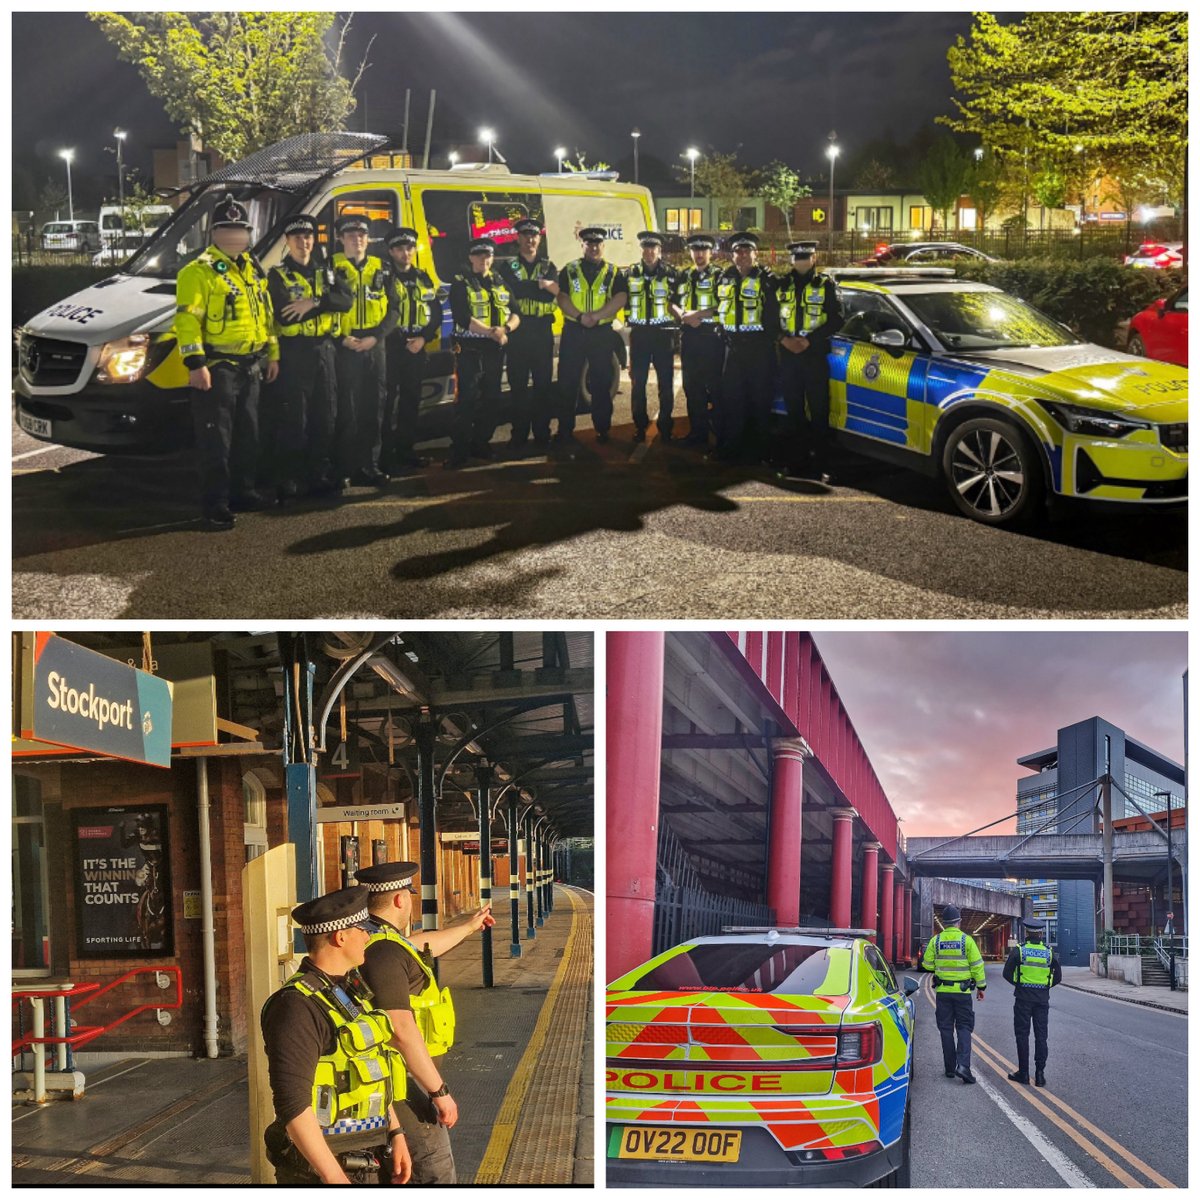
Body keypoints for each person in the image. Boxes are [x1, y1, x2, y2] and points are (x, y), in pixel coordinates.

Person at [260, 885, 413, 1185]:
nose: (369, 937)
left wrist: (395, 1132)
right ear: (340, 937)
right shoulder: (296, 1007)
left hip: (367, 1156)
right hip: (321, 1170)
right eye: (363, 929)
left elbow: (373, 1067)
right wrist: (333, 1177)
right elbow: (293, 1105)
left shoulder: (347, 991)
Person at [356, 861, 496, 1184]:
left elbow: (422, 943)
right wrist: (439, 1091)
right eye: (408, 894)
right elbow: (401, 1030)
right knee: (433, 1169)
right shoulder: (385, 955)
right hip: (403, 1081)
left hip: (403, 1076)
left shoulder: (381, 939)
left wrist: (468, 928)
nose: (410, 900)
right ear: (399, 900)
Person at [174, 193, 279, 529]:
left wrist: (272, 354)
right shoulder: (198, 271)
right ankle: (214, 504)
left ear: (248, 234)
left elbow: (266, 315)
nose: (235, 236)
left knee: (249, 434)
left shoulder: (252, 267)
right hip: (217, 368)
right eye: (227, 229)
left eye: (240, 230)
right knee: (215, 439)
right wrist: (195, 364)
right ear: (214, 234)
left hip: (251, 364)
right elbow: (187, 321)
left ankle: (243, 492)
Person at [266, 214, 353, 498]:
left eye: (308, 237)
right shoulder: (277, 275)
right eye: (297, 238)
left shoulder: (326, 271)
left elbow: (346, 300)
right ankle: (288, 478)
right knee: (294, 418)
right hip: (295, 353)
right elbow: (285, 316)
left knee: (325, 416)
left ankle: (318, 474)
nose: (304, 242)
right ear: (288, 242)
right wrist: (322, 305)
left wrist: (313, 303)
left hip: (325, 351)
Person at [331, 213, 400, 489]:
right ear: (340, 239)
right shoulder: (329, 268)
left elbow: (394, 309)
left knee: (374, 407)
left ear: (368, 239)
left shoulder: (382, 268)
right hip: (344, 345)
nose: (357, 240)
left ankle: (369, 466)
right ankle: (343, 468)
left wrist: (376, 337)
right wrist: (340, 339)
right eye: (350, 235)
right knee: (345, 410)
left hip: (374, 344)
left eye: (361, 235)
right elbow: (324, 307)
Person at [446, 238, 519, 469]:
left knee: (492, 400)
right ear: (470, 258)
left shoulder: (500, 281)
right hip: (469, 351)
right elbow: (461, 316)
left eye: (487, 256)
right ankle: (459, 450)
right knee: (466, 401)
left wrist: (506, 329)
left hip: (493, 351)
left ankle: (481, 443)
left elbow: (516, 312)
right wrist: (490, 332)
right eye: (478, 256)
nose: (484, 260)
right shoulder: (460, 283)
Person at [776, 240, 844, 480]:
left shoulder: (825, 285)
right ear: (791, 260)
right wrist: (784, 340)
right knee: (794, 412)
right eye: (798, 258)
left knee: (819, 411)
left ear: (814, 259)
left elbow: (836, 319)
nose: (802, 261)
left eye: (806, 257)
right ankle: (796, 462)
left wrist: (809, 341)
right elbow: (769, 317)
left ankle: (821, 464)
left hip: (813, 355)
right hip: (788, 355)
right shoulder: (781, 284)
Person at [555, 226, 628, 448]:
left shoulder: (613, 272)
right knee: (567, 383)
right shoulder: (569, 269)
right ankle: (565, 430)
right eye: (589, 243)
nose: (594, 247)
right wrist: (579, 317)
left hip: (601, 333)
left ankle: (603, 429)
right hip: (574, 331)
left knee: (601, 383)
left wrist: (595, 316)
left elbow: (620, 298)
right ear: (582, 245)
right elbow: (562, 297)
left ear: (603, 246)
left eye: (597, 244)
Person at [713, 231, 779, 464]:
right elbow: (717, 308)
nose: (742, 256)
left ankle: (761, 452)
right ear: (732, 255)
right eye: (737, 252)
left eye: (746, 251)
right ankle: (732, 449)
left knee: (759, 400)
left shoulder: (767, 279)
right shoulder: (724, 277)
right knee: (732, 399)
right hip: (732, 348)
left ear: (755, 254)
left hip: (758, 348)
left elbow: (774, 315)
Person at [382, 227, 442, 475]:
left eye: (409, 248)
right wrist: (400, 340)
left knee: (410, 403)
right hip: (391, 349)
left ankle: (406, 452)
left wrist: (423, 339)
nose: (405, 253)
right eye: (399, 249)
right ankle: (384, 457)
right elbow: (381, 313)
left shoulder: (424, 278)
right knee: (386, 405)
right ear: (391, 251)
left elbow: (435, 313)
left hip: (417, 348)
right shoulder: (384, 278)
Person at [496, 217, 559, 451]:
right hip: (518, 333)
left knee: (543, 386)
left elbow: (552, 294)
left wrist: (533, 288)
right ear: (518, 239)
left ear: (539, 239)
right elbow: (510, 293)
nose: (530, 240)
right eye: (525, 235)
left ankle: (542, 434)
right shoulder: (508, 266)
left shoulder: (548, 266)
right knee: (518, 387)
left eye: (534, 236)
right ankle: (519, 435)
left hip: (542, 331)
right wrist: (539, 286)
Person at [921, 904, 986, 1084]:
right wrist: (981, 987)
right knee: (964, 1027)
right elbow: (977, 966)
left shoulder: (936, 940)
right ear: (958, 922)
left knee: (946, 1029)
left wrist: (940, 968)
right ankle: (963, 1066)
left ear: (944, 923)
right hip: (963, 993)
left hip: (943, 992)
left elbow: (926, 964)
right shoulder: (967, 941)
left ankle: (950, 1068)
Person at [625, 231, 679, 444]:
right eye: (645, 248)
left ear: (659, 250)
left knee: (666, 384)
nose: (649, 252)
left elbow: (678, 302)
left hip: (663, 336)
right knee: (638, 384)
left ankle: (665, 426)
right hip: (639, 336)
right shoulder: (630, 273)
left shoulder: (672, 274)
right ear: (641, 250)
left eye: (653, 248)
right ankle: (640, 425)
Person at [674, 233, 724, 448]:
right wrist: (682, 315)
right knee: (691, 388)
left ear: (710, 252)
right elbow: (673, 302)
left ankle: (721, 437)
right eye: (695, 250)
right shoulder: (684, 275)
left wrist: (698, 315)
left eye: (703, 250)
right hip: (690, 339)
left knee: (715, 388)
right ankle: (698, 434)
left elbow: (724, 304)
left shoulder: (721, 276)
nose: (699, 254)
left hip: (712, 338)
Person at [1002, 918, 1061, 1087]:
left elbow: (1007, 973)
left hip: (1023, 999)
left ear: (1027, 933)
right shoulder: (1049, 952)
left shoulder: (1019, 951)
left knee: (1022, 1036)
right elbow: (1058, 977)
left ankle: (1024, 1074)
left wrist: (1019, 984)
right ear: (1041, 933)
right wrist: (1044, 987)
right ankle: (1040, 1075)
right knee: (1041, 1037)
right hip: (1042, 1000)